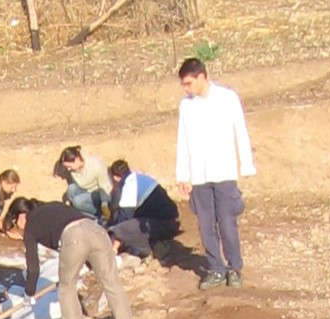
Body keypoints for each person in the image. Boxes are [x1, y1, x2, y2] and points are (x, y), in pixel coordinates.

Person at [4, 197, 138, 319]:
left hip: (74, 236)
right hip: (98, 231)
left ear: (20, 216)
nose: (19, 230)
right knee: (112, 283)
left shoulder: (31, 226)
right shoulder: (53, 206)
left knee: (66, 286)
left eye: (15, 225)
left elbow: (33, 269)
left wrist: (29, 293)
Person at [175, 57, 256, 289]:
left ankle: (234, 267)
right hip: (199, 176)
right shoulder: (186, 106)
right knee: (205, 225)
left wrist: (246, 165)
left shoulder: (227, 98)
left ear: (201, 77)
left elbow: (240, 132)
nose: (186, 88)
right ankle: (216, 268)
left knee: (227, 223)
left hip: (224, 171)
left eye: (189, 83)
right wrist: (183, 174)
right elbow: (183, 141)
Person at [106, 159, 181, 260]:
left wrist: (114, 239)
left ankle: (149, 249)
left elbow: (125, 219)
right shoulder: (139, 177)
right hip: (169, 221)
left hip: (165, 225)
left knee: (124, 230)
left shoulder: (130, 184)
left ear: (115, 177)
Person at [54, 146, 110, 219]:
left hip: (100, 193)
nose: (68, 169)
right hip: (86, 190)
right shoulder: (74, 170)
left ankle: (97, 215)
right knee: (71, 189)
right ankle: (79, 211)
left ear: (77, 160)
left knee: (78, 201)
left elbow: (105, 186)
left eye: (69, 166)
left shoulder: (95, 165)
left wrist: (104, 206)